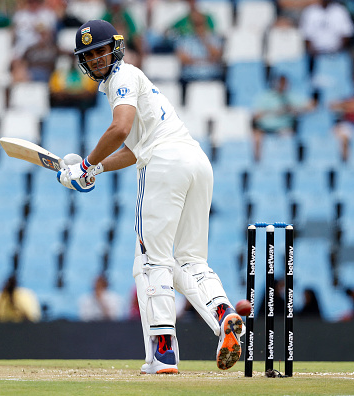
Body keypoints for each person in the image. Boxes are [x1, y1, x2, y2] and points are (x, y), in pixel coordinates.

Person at [56, 20, 244, 374]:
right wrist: (93, 170)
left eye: (100, 51)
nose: (96, 60)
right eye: (89, 55)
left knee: (150, 261)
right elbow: (132, 148)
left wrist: (84, 165)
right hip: (196, 162)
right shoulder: (135, 80)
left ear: (115, 47)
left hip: (165, 164)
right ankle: (224, 315)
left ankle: (163, 354)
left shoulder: (121, 78)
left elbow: (121, 128)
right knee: (190, 261)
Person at [251, 74, 312, 162]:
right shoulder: (265, 96)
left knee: (289, 137)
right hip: (265, 127)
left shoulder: (291, 96)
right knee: (256, 136)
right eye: (281, 83)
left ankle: (289, 162)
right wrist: (274, 112)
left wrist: (293, 109)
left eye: (285, 84)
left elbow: (311, 105)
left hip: (284, 128)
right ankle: (257, 163)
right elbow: (255, 116)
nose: (283, 86)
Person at [174, 11, 224, 90]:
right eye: (196, 24)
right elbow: (184, 60)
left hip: (212, 76)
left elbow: (216, 56)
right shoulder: (185, 39)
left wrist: (204, 39)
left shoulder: (215, 38)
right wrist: (206, 60)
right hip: (190, 77)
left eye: (200, 24)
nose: (198, 27)